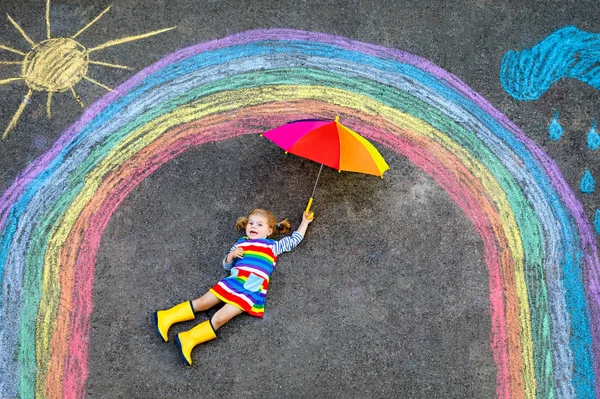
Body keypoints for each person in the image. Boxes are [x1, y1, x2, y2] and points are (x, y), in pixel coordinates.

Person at [154, 208, 313, 365]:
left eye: (259, 225)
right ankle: (167, 316)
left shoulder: (273, 246)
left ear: (269, 231)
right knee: (203, 302)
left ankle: (188, 338)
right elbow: (227, 265)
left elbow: (294, 239)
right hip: (233, 282)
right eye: (251, 223)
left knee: (221, 318)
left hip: (250, 291)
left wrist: (305, 222)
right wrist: (231, 255)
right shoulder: (241, 243)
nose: (253, 226)